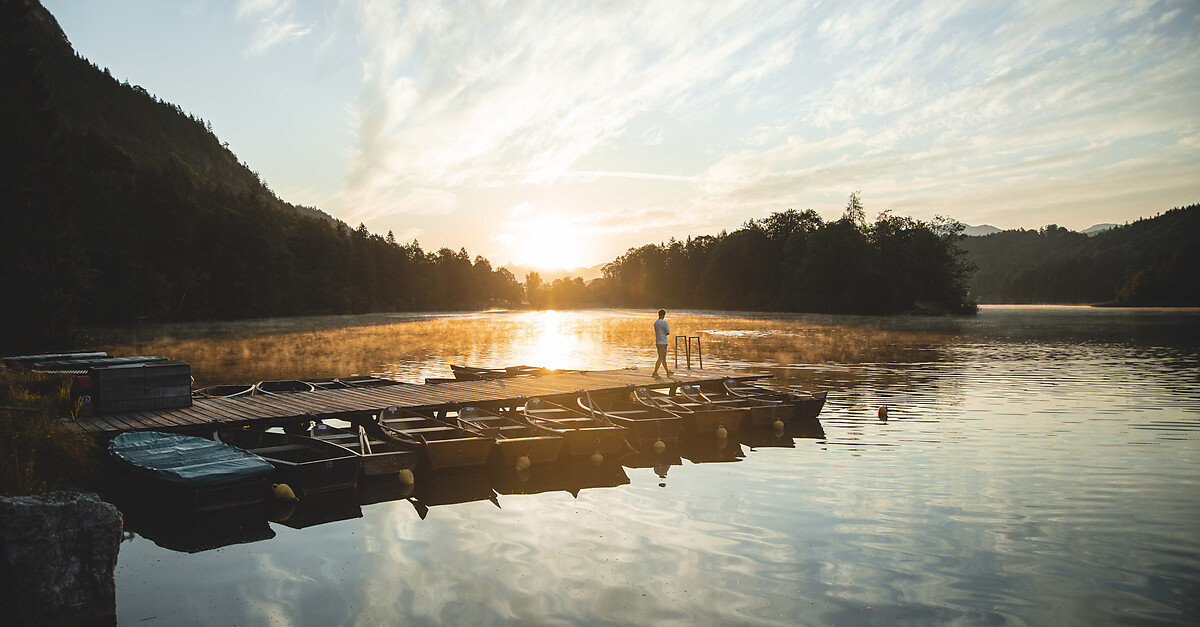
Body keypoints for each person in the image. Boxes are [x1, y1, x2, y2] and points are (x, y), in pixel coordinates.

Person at [652, 309, 673, 377]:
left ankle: (667, 372)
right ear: (664, 315)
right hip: (663, 342)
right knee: (661, 357)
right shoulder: (664, 322)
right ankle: (655, 373)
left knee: (663, 358)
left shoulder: (656, 322)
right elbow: (668, 332)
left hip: (658, 342)